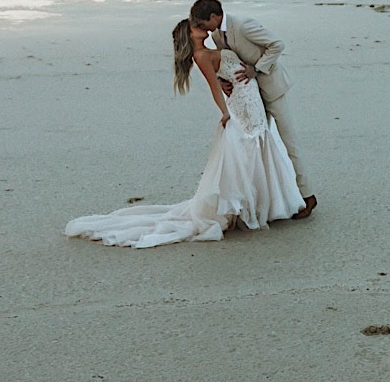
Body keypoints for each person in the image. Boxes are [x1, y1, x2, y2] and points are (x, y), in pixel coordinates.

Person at [63, 19, 306, 248]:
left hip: (251, 100)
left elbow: (225, 70)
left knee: (259, 145)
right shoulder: (200, 55)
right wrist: (225, 112)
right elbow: (214, 86)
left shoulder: (215, 44)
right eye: (194, 27)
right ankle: (251, 208)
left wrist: (228, 78)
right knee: (248, 150)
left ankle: (265, 204)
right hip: (241, 106)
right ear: (189, 35)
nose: (199, 27)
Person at [189, 0, 317, 219]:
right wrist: (222, 80)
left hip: (273, 89)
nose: (202, 29)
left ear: (214, 16)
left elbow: (277, 45)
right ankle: (265, 201)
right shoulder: (218, 35)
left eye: (202, 23)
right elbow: (226, 62)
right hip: (250, 97)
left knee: (289, 143)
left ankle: (308, 196)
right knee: (258, 147)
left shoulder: (244, 26)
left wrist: (256, 69)